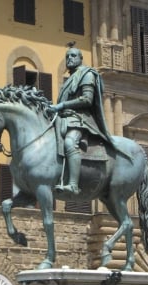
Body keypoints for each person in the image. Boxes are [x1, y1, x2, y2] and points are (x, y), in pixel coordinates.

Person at [49, 44, 116, 195]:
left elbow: (87, 99)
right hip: (64, 118)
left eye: (73, 56)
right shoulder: (70, 79)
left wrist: (62, 105)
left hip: (80, 119)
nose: (69, 59)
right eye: (67, 56)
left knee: (69, 143)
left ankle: (73, 185)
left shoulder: (87, 74)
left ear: (81, 58)